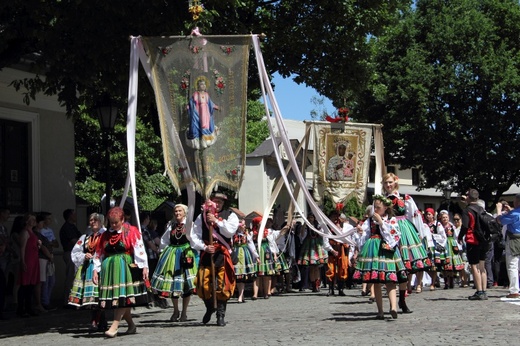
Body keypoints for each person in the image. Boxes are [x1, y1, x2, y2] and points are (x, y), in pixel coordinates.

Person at [92, 207, 149, 338]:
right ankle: (131, 325)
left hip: (124, 267)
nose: (113, 225)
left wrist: (144, 266)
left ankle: (114, 325)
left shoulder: (131, 232)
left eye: (116, 222)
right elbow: (99, 253)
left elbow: (139, 249)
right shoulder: (105, 235)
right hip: (109, 268)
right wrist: (96, 269)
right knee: (117, 298)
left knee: (121, 297)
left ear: (122, 220)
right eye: (111, 222)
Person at [383, 173, 431, 313]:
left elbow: (415, 215)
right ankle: (393, 302)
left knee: (405, 267)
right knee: (391, 267)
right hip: (388, 231)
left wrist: (420, 234)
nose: (388, 185)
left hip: (403, 231)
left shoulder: (405, 198)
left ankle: (402, 300)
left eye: (390, 182)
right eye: (386, 183)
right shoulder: (381, 200)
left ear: (395, 183)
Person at [353, 195, 407, 319]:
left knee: (390, 279)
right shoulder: (370, 220)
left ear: (385, 207)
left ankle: (393, 307)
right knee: (376, 280)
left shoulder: (391, 220)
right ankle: (380, 311)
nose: (376, 210)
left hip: (387, 250)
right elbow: (365, 235)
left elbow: (395, 236)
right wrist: (360, 232)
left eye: (378, 207)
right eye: (374, 207)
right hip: (373, 249)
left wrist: (382, 223)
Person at [191, 192, 239, 326]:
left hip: (223, 254)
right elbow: (194, 235)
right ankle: (210, 307)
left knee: (223, 285)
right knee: (202, 285)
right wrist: (204, 247)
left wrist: (217, 221)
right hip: (208, 253)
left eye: (220, 202)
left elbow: (229, 231)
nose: (217, 204)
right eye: (215, 201)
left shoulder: (230, 215)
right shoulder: (202, 217)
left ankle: (220, 314)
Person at [151, 204, 198, 322]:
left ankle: (184, 312)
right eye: (176, 211)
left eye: (180, 211)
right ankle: (176, 310)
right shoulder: (170, 225)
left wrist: (195, 253)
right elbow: (164, 240)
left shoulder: (190, 225)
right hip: (172, 255)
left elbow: (195, 240)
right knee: (172, 284)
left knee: (186, 285)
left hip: (185, 254)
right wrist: (162, 252)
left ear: (185, 212)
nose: (177, 213)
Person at [69, 213, 107, 332]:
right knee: (92, 297)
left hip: (102, 267)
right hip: (89, 268)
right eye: (91, 220)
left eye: (95, 220)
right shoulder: (85, 237)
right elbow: (75, 252)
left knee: (101, 295)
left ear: (101, 221)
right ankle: (95, 319)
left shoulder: (105, 235)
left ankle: (102, 320)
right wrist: (84, 255)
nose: (93, 222)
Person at [459, 189, 490, 300]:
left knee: (474, 266)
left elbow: (466, 226)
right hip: (483, 240)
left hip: (473, 240)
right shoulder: (481, 208)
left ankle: (479, 291)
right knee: (482, 267)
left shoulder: (467, 210)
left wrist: (459, 237)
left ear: (468, 197)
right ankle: (484, 291)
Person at [297, 213, 332, 292]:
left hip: (317, 245)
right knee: (311, 267)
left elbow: (322, 234)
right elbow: (302, 235)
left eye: (312, 217)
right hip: (309, 245)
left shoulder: (318, 226)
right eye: (309, 217)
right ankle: (313, 284)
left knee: (317, 267)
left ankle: (317, 284)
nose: (310, 219)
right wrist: (305, 224)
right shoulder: (306, 226)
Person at [496, 194, 520, 298]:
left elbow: (499, 220)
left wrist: (499, 210)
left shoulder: (514, 214)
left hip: (514, 239)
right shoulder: (514, 213)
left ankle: (514, 290)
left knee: (513, 265)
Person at [186, 78, 219, 149]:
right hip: (198, 112)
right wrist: (188, 107)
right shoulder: (196, 94)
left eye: (204, 84)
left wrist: (216, 107)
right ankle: (199, 140)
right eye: (201, 84)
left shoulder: (206, 94)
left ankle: (206, 139)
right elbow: (191, 103)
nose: (203, 86)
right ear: (198, 86)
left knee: (206, 125)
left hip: (206, 112)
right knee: (200, 124)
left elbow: (210, 103)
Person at [17, 213, 40, 317]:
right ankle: (21, 309)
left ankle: (29, 307)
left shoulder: (33, 232)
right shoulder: (25, 232)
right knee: (25, 285)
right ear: (27, 221)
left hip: (34, 259)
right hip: (28, 259)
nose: (34, 221)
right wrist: (22, 261)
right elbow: (22, 248)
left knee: (31, 285)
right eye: (32, 219)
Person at [325, 213, 351, 296]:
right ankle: (331, 289)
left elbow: (349, 240)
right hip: (332, 250)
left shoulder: (346, 227)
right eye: (333, 217)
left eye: (337, 218)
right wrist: (331, 250)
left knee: (343, 269)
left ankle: (341, 289)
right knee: (331, 269)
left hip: (342, 250)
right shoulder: (327, 228)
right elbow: (325, 240)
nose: (336, 219)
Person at [59, 209, 81, 307]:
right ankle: (67, 300)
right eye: (74, 214)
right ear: (70, 216)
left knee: (75, 277)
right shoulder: (67, 227)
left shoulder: (73, 227)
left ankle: (73, 299)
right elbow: (75, 241)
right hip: (70, 253)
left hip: (75, 254)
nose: (76, 216)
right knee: (70, 277)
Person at [437, 210, 465, 288]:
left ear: (448, 218)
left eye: (446, 217)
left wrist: (457, 244)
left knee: (452, 264)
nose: (445, 219)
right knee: (445, 263)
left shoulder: (451, 226)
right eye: (443, 217)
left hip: (451, 243)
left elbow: (455, 235)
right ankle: (446, 282)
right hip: (444, 244)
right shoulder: (439, 226)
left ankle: (451, 281)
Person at [40, 212, 58, 310]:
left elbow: (56, 243)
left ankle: (48, 299)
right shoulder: (41, 231)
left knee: (52, 280)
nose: (50, 221)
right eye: (48, 219)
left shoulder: (50, 230)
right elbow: (44, 244)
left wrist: (50, 244)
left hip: (51, 256)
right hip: (44, 256)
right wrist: (49, 244)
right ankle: (45, 302)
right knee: (45, 281)